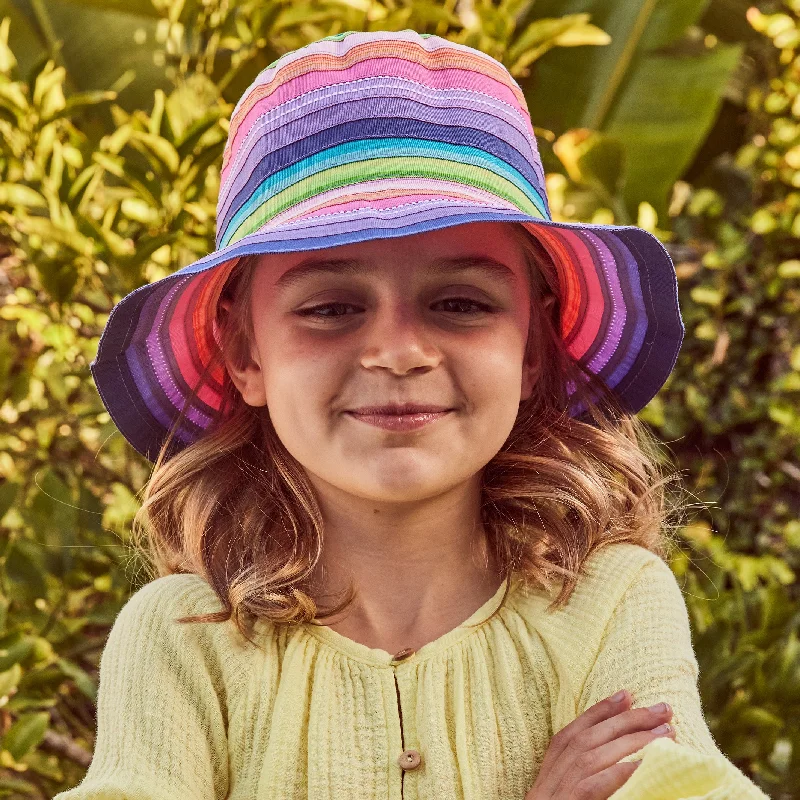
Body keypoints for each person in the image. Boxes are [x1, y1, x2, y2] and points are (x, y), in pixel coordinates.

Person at [56, 29, 769, 800]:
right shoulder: (182, 643)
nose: (397, 352)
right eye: (330, 308)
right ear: (245, 354)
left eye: (460, 304)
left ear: (533, 346)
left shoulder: (609, 603)